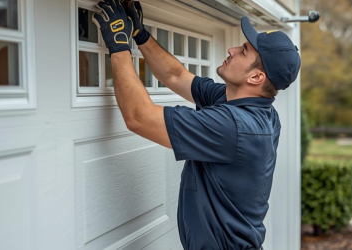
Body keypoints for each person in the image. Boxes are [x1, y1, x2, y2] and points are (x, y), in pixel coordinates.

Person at [92, 0, 301, 249]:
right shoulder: (255, 109)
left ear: (256, 77)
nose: (232, 49)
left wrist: (118, 46)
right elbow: (176, 76)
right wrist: (140, 34)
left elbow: (139, 118)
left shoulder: (234, 127)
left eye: (244, 51)